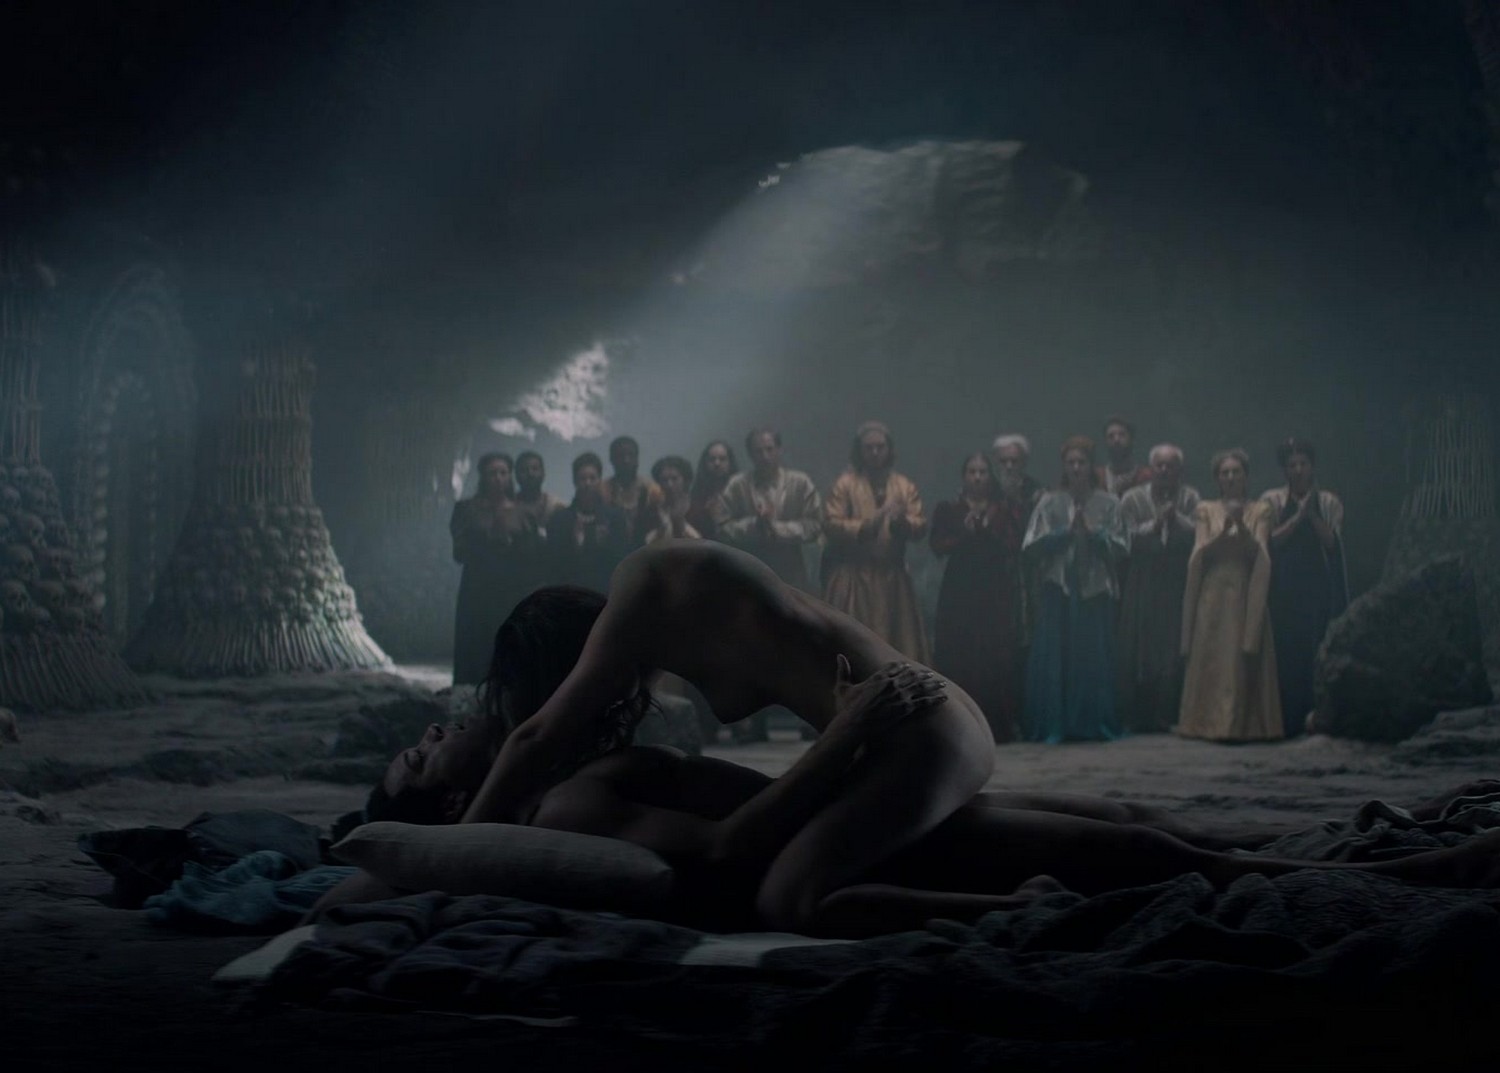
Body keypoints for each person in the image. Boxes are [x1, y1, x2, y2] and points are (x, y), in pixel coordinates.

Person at [334, 558, 1500, 938]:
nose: (440, 730)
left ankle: (1370, 867)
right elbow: (579, 766)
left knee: (797, 894)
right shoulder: (564, 796)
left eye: (438, 728)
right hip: (882, 753)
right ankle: (1375, 855)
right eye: (422, 752)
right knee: (1110, 834)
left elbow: (544, 739)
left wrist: (460, 830)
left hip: (904, 725)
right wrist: (455, 833)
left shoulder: (640, 613)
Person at [1020, 436, 1127, 743]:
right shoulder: (1050, 502)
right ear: (1064, 466)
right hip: (1059, 587)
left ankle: (1092, 722)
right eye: (1071, 463)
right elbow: (1030, 547)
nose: (1077, 468)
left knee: (1092, 657)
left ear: (1091, 466)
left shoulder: (1109, 503)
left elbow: (1122, 548)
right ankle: (1056, 721)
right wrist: (1062, 534)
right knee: (1057, 656)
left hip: (1094, 589)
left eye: (1082, 462)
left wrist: (1095, 534)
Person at [1178, 449, 1282, 741]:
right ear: (1217, 479)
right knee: (1213, 653)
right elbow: (1200, 550)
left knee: (1241, 652)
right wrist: (1224, 533)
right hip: (1214, 591)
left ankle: (1242, 724)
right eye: (1225, 473)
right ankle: (1205, 722)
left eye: (1236, 472)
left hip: (1245, 589)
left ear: (1246, 476)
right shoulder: (1205, 509)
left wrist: (1242, 530)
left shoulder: (1260, 510)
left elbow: (1260, 550)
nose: (1231, 477)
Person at [929, 452, 1027, 742]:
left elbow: (1014, 544)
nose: (977, 477)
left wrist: (986, 529)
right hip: (960, 589)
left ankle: (997, 722)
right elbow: (937, 545)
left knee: (994, 652)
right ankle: (957, 721)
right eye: (972, 472)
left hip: (993, 588)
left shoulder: (1003, 510)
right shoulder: (949, 509)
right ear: (964, 476)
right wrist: (964, 532)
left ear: (990, 476)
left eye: (983, 472)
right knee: (958, 649)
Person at [823, 421, 929, 662]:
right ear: (859, 451)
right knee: (851, 648)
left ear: (889, 449)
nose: (875, 452)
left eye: (880, 447)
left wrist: (902, 523)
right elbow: (831, 523)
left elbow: (920, 524)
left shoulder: (904, 486)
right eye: (868, 448)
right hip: (853, 579)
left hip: (894, 581)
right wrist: (867, 525)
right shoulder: (845, 485)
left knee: (899, 647)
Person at [1262, 437, 1348, 736]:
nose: (1298, 470)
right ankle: (1286, 721)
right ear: (1284, 470)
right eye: (1292, 465)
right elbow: (1270, 541)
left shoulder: (1329, 502)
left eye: (1303, 464)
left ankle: (1317, 718)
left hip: (1317, 588)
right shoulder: (1271, 500)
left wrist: (1311, 513)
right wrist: (1298, 517)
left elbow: (1332, 544)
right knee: (1286, 652)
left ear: (1312, 467)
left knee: (1316, 649)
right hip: (1283, 589)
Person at [1115, 445, 1200, 733]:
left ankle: (1169, 712)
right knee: (1139, 643)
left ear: (1179, 470)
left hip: (1177, 576)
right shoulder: (1133, 498)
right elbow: (1123, 538)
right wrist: (1156, 524)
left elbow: (1200, 533)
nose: (1164, 471)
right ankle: (1137, 714)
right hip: (1142, 576)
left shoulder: (1190, 498)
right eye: (1159, 466)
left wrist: (1176, 519)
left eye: (1170, 466)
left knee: (1173, 644)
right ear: (1150, 469)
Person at [449, 452, 539, 686]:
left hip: (511, 589)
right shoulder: (466, 509)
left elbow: (531, 557)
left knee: (507, 642)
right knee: (475, 644)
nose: (498, 478)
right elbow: (459, 553)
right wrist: (486, 542)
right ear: (483, 477)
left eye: (503, 473)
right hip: (476, 588)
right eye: (492, 473)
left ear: (510, 476)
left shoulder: (524, 512)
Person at [713, 428, 822, 591]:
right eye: (758, 451)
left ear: (779, 449)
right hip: (749, 569)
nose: (765, 456)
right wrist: (754, 525)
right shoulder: (737, 485)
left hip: (791, 568)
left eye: (769, 449)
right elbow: (721, 527)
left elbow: (815, 524)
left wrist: (776, 528)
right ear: (750, 454)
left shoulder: (800, 483)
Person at [547, 452, 631, 592]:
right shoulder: (560, 519)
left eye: (593, 478)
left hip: (605, 593)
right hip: (571, 592)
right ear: (575, 481)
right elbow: (554, 565)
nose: (588, 483)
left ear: (600, 480)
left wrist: (604, 544)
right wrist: (576, 546)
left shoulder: (615, 517)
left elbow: (622, 562)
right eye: (582, 479)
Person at [602, 436, 664, 546]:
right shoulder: (602, 490)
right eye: (621, 456)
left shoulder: (652, 491)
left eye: (631, 455)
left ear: (637, 458)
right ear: (612, 459)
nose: (626, 460)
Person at [644, 456, 702, 543]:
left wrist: (680, 522)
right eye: (664, 480)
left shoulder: (699, 510)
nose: (669, 484)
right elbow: (644, 544)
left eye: (674, 479)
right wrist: (662, 528)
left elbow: (706, 543)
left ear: (685, 480)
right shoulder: (651, 511)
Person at [1095, 416, 1154, 499]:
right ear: (1105, 441)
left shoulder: (1146, 476)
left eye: (1122, 435)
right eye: (1111, 436)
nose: (1116, 440)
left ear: (1132, 440)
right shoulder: (1097, 477)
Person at [513, 451, 566, 538]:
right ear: (516, 476)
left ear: (543, 474)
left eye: (535, 469)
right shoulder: (509, 508)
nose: (530, 474)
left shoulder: (556, 507)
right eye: (524, 470)